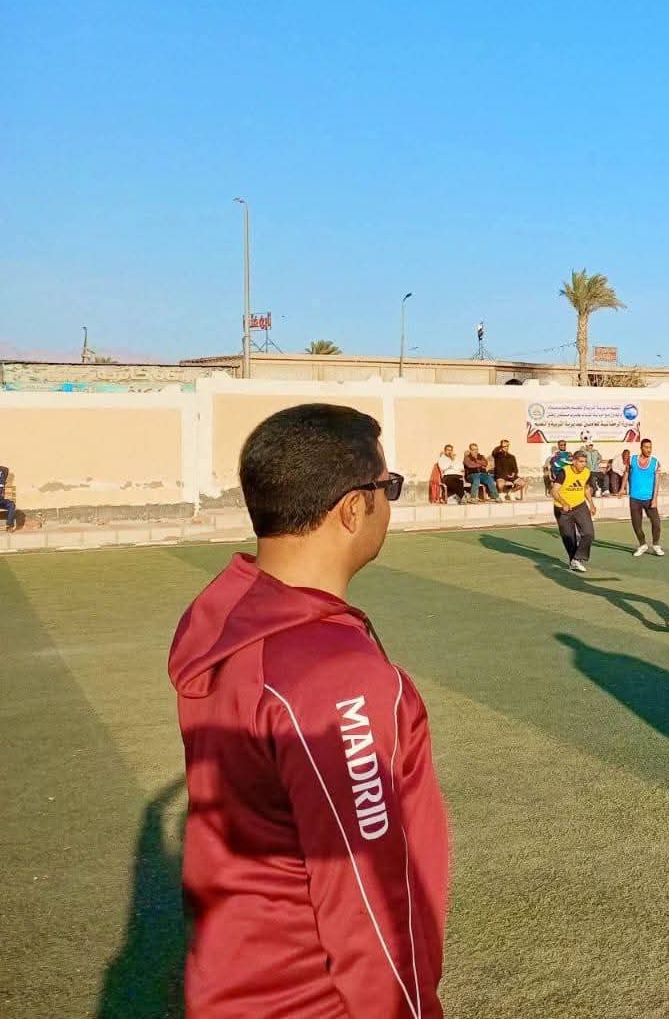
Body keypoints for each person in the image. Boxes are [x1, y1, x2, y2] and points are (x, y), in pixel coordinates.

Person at [167, 403, 448, 1017]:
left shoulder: (230, 617)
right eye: (387, 487)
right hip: (311, 999)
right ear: (352, 509)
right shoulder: (334, 676)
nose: (389, 504)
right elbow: (367, 900)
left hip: (233, 980)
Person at [549, 449, 597, 572]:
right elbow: (554, 491)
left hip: (580, 506)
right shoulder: (564, 472)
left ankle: (577, 558)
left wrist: (591, 504)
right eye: (580, 461)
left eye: (585, 462)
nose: (583, 464)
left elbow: (586, 488)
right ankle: (573, 561)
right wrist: (563, 503)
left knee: (589, 533)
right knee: (569, 538)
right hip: (562, 509)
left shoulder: (587, 472)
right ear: (574, 461)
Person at [625, 437, 666, 556]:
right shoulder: (632, 460)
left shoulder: (655, 462)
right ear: (641, 448)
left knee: (656, 523)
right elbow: (626, 473)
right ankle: (642, 544)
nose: (649, 450)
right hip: (634, 498)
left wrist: (654, 499)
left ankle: (656, 545)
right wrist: (622, 488)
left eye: (650, 447)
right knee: (636, 524)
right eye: (646, 447)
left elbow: (657, 482)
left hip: (649, 498)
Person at [0, 463, 17, 531]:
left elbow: (6, 469)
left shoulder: (2, 478)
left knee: (11, 505)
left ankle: (9, 525)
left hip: (1, 501)